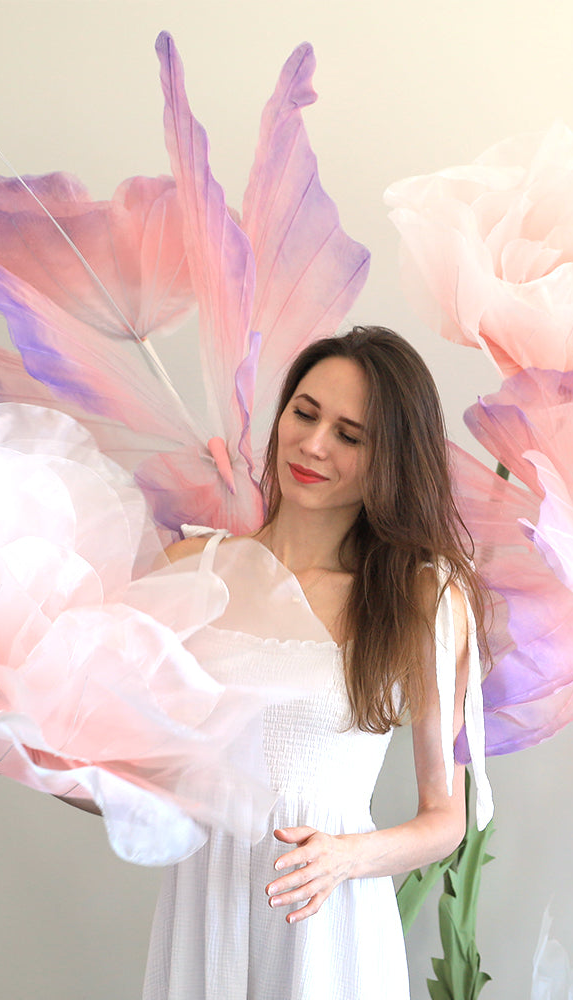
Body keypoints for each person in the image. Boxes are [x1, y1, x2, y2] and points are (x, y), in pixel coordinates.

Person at [142, 325, 492, 999]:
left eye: (350, 435)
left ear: (391, 459)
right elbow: (137, 779)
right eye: (304, 413)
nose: (313, 444)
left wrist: (346, 856)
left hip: (325, 924)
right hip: (203, 903)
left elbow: (444, 821)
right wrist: (17, 745)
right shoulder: (189, 572)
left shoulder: (421, 598)